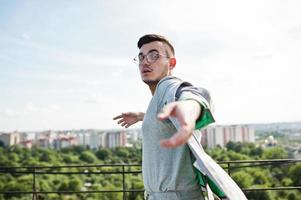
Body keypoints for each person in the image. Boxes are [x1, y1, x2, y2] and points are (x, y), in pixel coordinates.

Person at [113, 34, 215, 200]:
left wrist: (188, 110)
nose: (145, 61)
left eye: (154, 55)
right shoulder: (159, 98)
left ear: (171, 63)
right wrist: (142, 116)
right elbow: (168, 119)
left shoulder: (169, 86)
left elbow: (193, 95)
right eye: (141, 57)